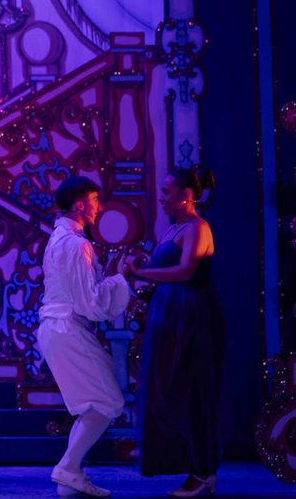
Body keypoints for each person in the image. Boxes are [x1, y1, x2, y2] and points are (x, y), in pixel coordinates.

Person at [35, 176, 131, 497]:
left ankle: (70, 477)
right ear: (80, 204)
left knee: (95, 403)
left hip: (59, 328)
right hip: (65, 328)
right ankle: (68, 467)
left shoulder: (61, 238)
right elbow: (89, 303)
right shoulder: (76, 244)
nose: (98, 207)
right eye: (94, 200)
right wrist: (121, 278)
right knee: (108, 401)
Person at [132, 168, 224, 497]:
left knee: (191, 389)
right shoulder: (174, 228)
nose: (161, 196)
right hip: (169, 313)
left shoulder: (198, 227)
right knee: (166, 388)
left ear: (186, 194)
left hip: (190, 315)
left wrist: (145, 272)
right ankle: (191, 465)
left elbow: (186, 271)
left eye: (167, 191)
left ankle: (203, 471)